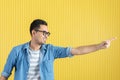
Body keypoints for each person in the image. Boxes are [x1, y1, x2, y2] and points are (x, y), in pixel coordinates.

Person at [0, 19, 116, 80]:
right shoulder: (16, 51)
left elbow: (77, 50)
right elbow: (4, 76)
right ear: (33, 33)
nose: (46, 35)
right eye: (44, 32)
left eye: (48, 33)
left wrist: (99, 46)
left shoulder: (51, 50)